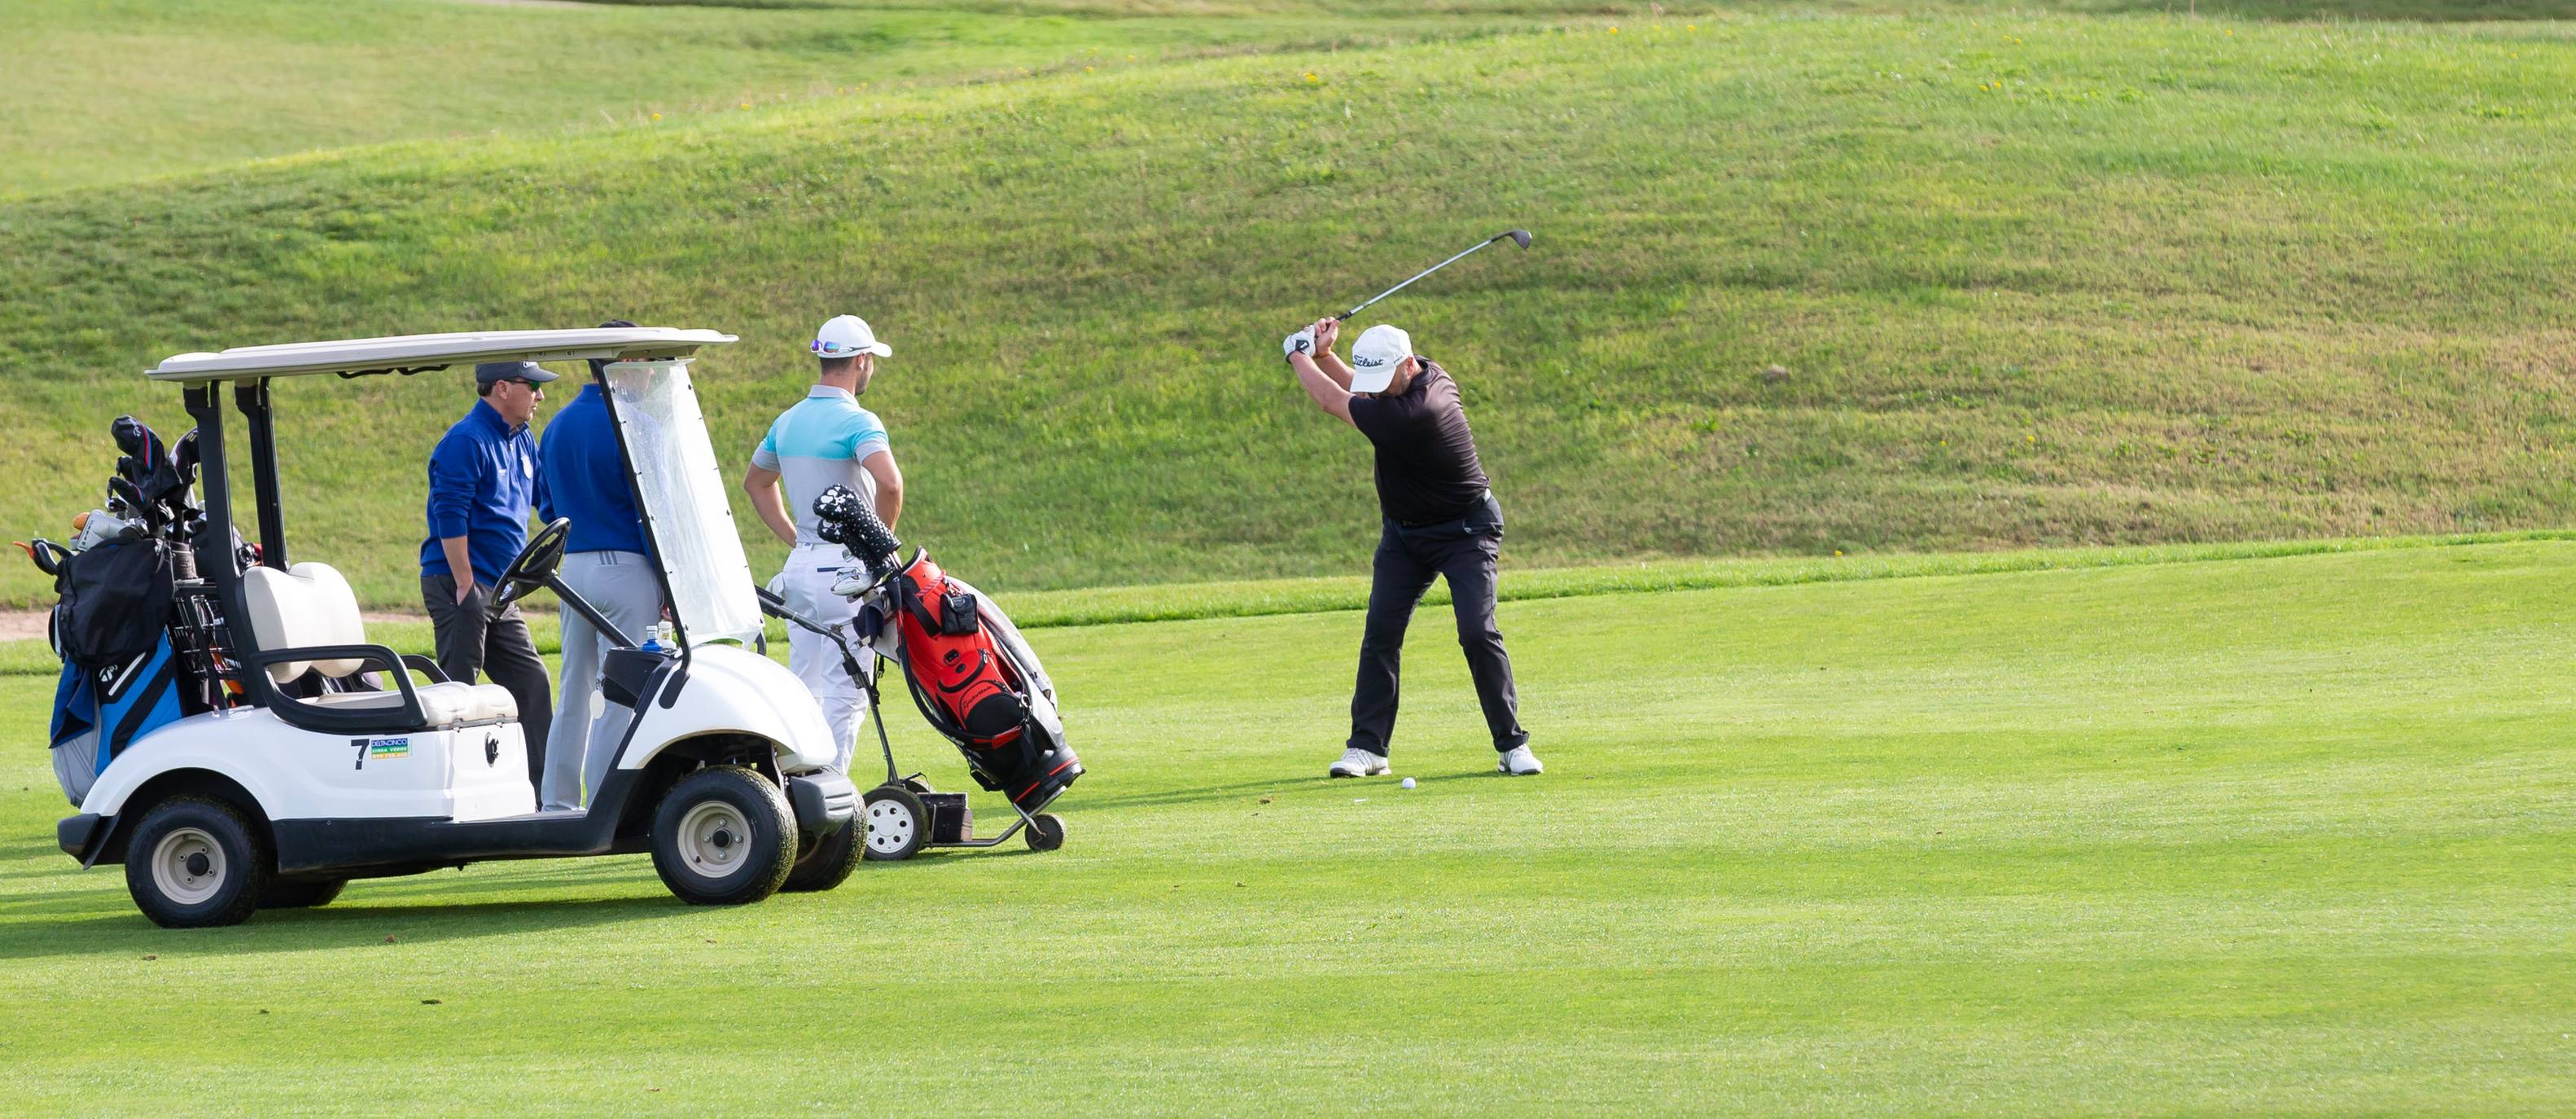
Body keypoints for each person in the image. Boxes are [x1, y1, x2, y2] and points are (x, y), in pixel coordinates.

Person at [1284, 318, 1541, 777]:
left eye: (1383, 381)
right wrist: (1324, 356)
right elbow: (1359, 391)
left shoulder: (1419, 410)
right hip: (1404, 537)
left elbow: (1331, 400)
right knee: (1381, 632)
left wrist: (1296, 354)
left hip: (1466, 532)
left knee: (1477, 631)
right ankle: (1368, 749)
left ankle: (1512, 745)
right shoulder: (1416, 377)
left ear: (1406, 365)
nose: (1377, 390)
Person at [745, 314, 905, 771]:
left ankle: (794, 787)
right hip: (849, 570)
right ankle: (831, 793)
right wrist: (880, 550)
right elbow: (890, 485)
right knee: (847, 690)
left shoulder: (788, 420)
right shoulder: (857, 420)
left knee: (805, 685)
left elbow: (757, 483)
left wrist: (796, 538)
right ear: (860, 361)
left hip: (800, 568)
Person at [535, 321, 669, 811]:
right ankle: (606, 804)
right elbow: (654, 513)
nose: (653, 374)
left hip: (574, 570)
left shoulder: (556, 425)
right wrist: (669, 586)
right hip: (627, 569)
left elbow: (546, 507)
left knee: (574, 685)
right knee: (622, 689)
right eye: (646, 362)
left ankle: (557, 800)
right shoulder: (636, 424)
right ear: (625, 363)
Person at [420, 360, 557, 798]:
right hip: (460, 583)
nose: (540, 396)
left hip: (501, 589)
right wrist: (464, 584)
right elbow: (450, 514)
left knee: (532, 684)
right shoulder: (466, 441)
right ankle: (448, 793)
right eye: (532, 386)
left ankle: (539, 795)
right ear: (502, 388)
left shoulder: (524, 440)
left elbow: (543, 501)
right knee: (459, 689)